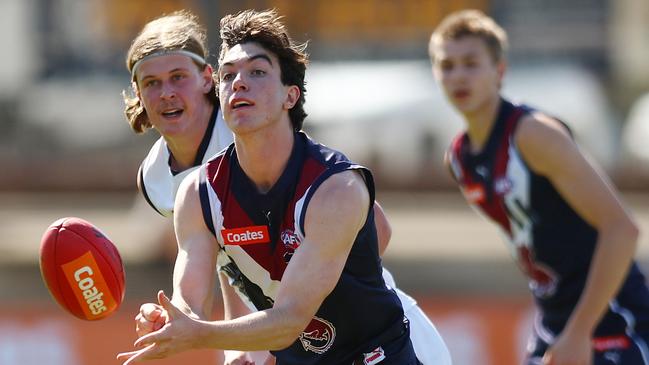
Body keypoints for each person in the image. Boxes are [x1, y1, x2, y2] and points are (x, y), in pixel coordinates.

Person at [118, 9, 439, 365]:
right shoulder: (168, 182)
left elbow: (376, 229)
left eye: (178, 77)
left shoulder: (292, 154)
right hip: (289, 336)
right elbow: (233, 262)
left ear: (205, 79)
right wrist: (224, 338)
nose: (167, 94)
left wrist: (303, 304)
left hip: (375, 340)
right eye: (151, 83)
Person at [429, 9, 649, 365]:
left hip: (614, 323)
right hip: (554, 324)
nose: (458, 76)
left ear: (500, 72)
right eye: (447, 65)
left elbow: (622, 229)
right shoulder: (459, 160)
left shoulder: (533, 135)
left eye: (471, 63)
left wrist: (580, 332)